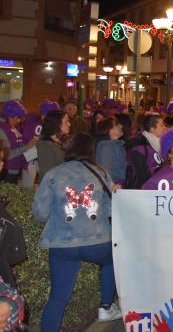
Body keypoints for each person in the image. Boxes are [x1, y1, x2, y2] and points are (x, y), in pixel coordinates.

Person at [32, 133, 120, 332]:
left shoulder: (53, 174)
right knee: (112, 260)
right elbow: (109, 210)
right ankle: (106, 306)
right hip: (97, 241)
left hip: (62, 244)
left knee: (57, 298)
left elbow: (39, 213)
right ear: (91, 151)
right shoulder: (100, 173)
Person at [124, 115, 165, 189]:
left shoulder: (158, 144)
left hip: (156, 187)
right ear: (152, 129)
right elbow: (141, 175)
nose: (164, 128)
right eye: (161, 125)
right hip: (144, 191)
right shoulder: (139, 147)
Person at [0, 101, 36, 184]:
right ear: (11, 117)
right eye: (18, 118)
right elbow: (7, 155)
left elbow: (18, 145)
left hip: (14, 170)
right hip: (7, 172)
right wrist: (27, 146)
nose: (19, 121)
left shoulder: (10, 126)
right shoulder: (2, 129)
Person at [37, 110, 70, 180]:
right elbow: (48, 174)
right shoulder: (45, 146)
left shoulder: (61, 141)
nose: (69, 124)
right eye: (66, 121)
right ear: (58, 124)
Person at [95, 117, 126, 187]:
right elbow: (105, 173)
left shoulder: (118, 145)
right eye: (117, 124)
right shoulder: (106, 147)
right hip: (111, 189)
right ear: (110, 130)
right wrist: (117, 183)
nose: (121, 126)